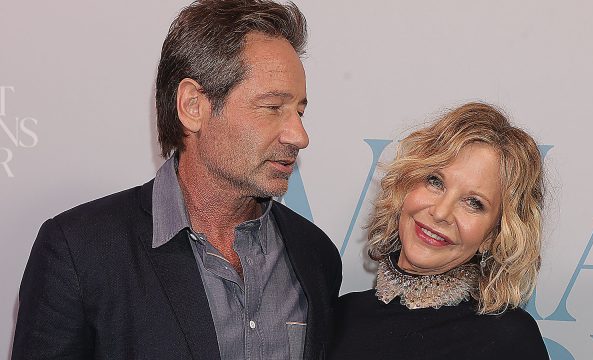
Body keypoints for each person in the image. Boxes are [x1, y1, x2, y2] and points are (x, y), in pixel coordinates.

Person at [12, 1, 342, 359]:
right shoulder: (79, 252)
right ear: (192, 106)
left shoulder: (316, 257)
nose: (299, 135)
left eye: (300, 111)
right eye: (273, 107)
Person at [330, 102, 549, 360]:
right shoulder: (341, 316)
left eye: (473, 203)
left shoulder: (508, 339)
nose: (441, 212)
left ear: (493, 236)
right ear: (406, 184)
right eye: (435, 182)